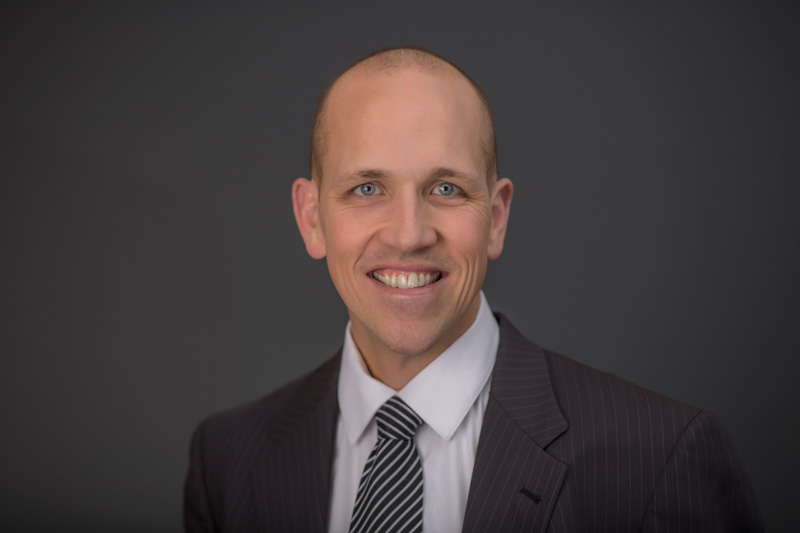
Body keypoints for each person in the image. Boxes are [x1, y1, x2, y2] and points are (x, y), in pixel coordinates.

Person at [184, 47, 763, 532]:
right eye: (367, 189)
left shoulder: (661, 457)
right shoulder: (228, 460)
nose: (409, 235)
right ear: (311, 218)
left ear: (497, 217)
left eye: (446, 189)